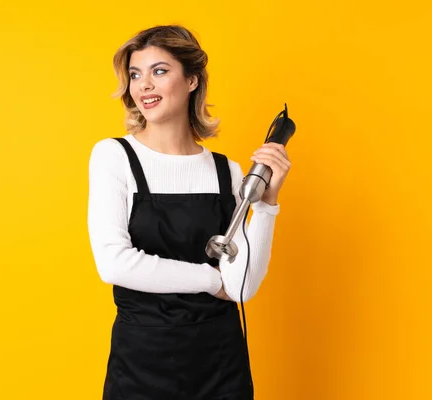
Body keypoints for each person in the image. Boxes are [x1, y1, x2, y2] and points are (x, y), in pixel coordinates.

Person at [87, 24, 291, 400]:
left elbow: (242, 286)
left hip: (220, 365)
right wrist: (210, 280)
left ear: (192, 80)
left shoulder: (225, 171)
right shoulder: (114, 157)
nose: (143, 85)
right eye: (135, 74)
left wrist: (265, 204)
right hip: (143, 364)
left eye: (159, 71)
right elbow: (113, 264)